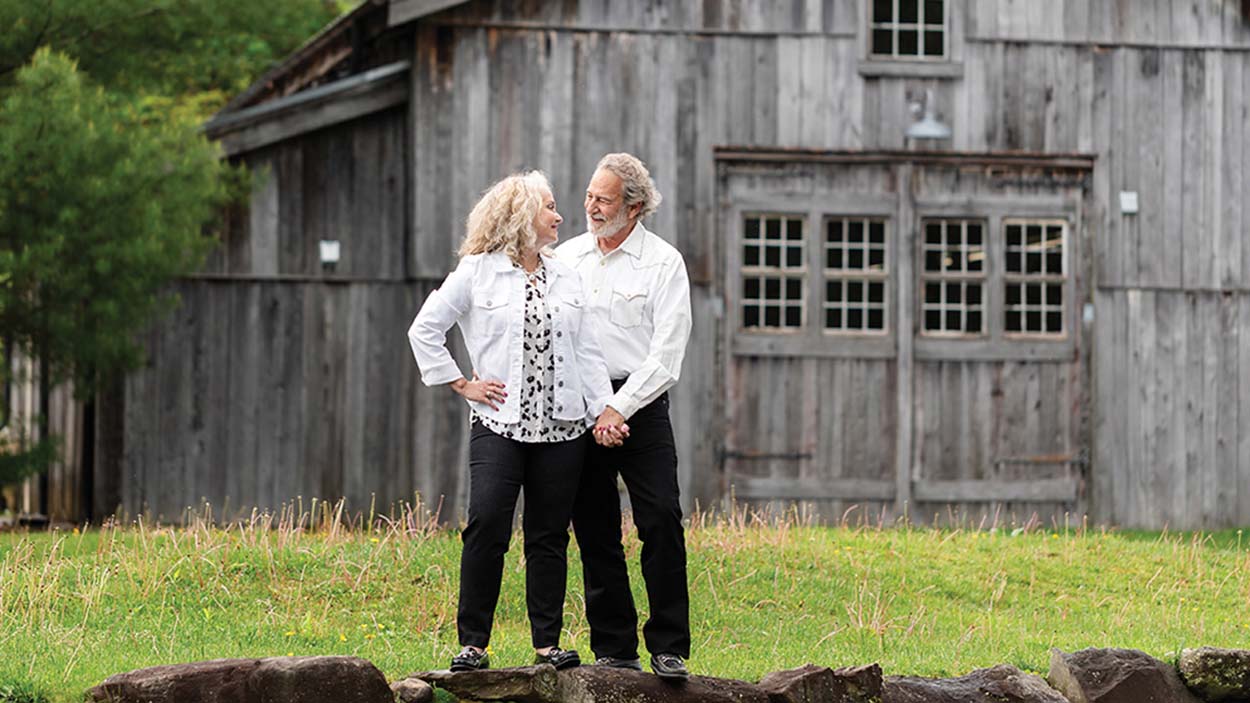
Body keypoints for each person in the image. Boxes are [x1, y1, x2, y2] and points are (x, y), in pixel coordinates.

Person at [407, 171, 622, 672]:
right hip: (498, 426)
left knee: (549, 536)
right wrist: (462, 383)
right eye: (549, 207)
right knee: (487, 525)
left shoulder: (566, 276)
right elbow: (425, 329)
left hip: (562, 429)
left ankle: (547, 645)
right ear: (522, 215)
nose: (559, 216)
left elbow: (587, 351)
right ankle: (473, 644)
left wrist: (604, 411)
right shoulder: (476, 272)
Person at [555, 153, 693, 679]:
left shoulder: (663, 263)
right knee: (595, 528)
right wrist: (595, 408)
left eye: (604, 200)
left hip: (641, 404)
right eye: (589, 196)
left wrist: (618, 407)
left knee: (661, 519)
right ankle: (615, 649)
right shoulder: (566, 258)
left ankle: (669, 646)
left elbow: (667, 354)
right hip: (582, 406)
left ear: (633, 208)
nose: (591, 207)